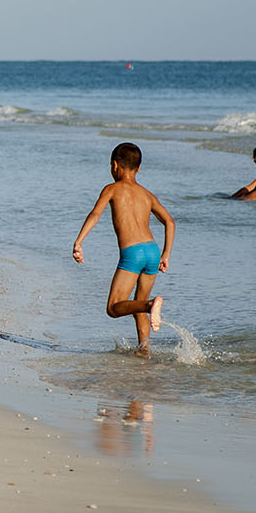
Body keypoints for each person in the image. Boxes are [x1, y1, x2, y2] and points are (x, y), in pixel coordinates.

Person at [72, 142, 174, 357]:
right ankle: (144, 349)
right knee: (135, 304)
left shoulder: (112, 189)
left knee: (114, 307)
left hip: (133, 253)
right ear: (139, 168)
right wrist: (165, 254)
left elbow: (95, 214)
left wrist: (79, 242)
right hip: (153, 251)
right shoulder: (147, 194)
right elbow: (170, 222)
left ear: (115, 165)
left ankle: (150, 305)